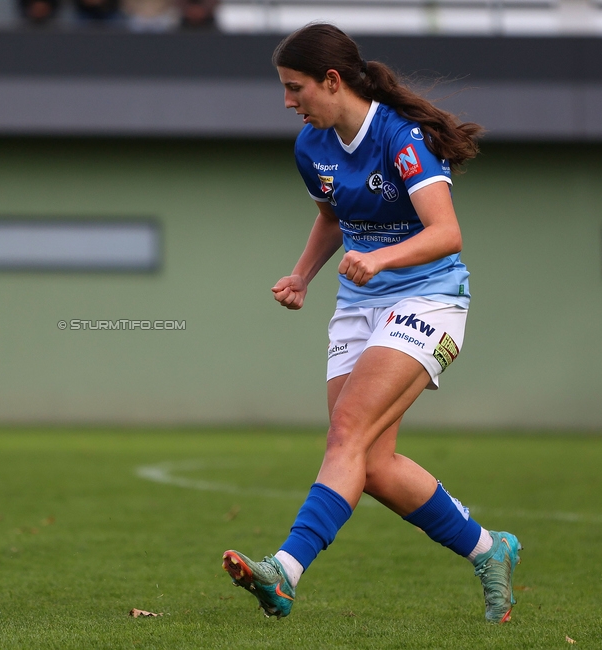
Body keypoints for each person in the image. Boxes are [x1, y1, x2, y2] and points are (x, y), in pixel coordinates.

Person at [221, 24, 521, 624]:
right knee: (374, 464)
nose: (288, 102)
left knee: (346, 434)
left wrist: (380, 257)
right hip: (360, 305)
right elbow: (332, 218)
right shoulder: (313, 144)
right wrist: (303, 274)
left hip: (431, 300)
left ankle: (286, 570)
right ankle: (492, 550)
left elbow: (446, 233)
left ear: (332, 81)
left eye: (294, 87)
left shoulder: (402, 137)